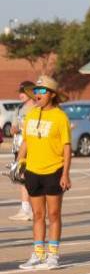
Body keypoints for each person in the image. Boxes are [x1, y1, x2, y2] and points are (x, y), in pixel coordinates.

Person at [16, 77, 72, 270]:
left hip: (54, 170)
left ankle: (53, 255)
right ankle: (38, 254)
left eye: (43, 91)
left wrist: (65, 173)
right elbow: (25, 142)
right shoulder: (31, 115)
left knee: (54, 214)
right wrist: (19, 163)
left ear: (52, 95)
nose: (38, 94)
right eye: (37, 91)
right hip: (33, 171)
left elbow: (66, 147)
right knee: (38, 214)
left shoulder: (60, 117)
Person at [8, 80, 36, 222]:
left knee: (29, 178)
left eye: (24, 92)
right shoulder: (18, 109)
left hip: (32, 147)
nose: (21, 95)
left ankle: (32, 208)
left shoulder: (37, 109)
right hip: (19, 147)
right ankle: (25, 208)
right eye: (20, 92)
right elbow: (13, 128)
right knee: (21, 177)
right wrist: (14, 129)